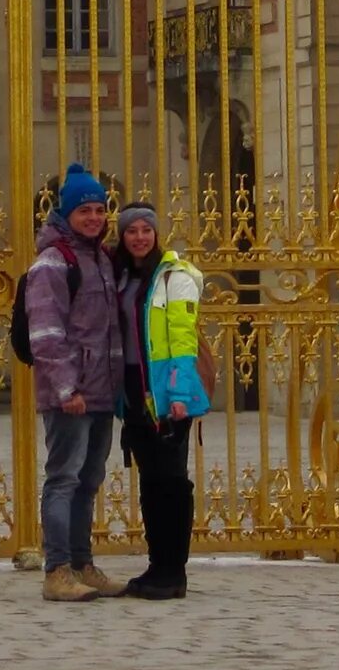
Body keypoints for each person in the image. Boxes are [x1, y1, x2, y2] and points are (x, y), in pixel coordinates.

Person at [25, 164, 128, 602]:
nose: (93, 217)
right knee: (63, 478)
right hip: (72, 395)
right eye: (84, 210)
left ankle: (83, 563)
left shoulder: (100, 257)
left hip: (101, 390)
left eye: (98, 209)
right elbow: (47, 332)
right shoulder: (54, 261)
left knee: (89, 480)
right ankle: (57, 569)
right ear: (66, 214)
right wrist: (67, 388)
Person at [111, 201, 209, 600]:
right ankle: (157, 565)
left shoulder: (174, 277)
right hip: (134, 388)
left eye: (145, 230)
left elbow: (184, 339)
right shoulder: (120, 276)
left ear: (156, 234)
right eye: (131, 230)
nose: (139, 237)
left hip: (168, 388)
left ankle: (174, 571)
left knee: (172, 480)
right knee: (151, 480)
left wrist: (181, 394)